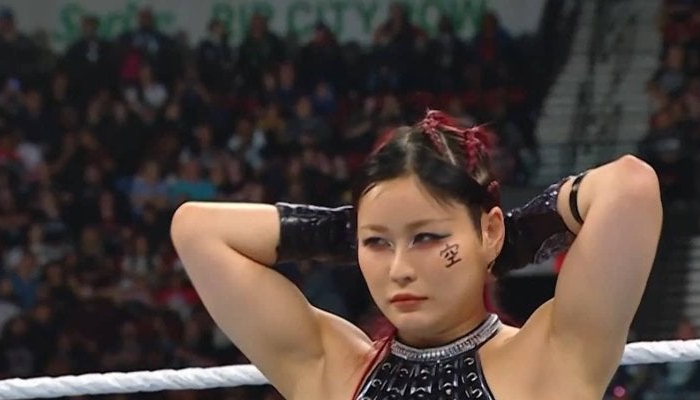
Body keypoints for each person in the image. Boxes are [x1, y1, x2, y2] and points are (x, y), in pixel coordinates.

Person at [170, 110, 663, 399]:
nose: (400, 270)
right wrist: (365, 229)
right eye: (377, 244)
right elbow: (198, 229)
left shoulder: (549, 358)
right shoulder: (329, 367)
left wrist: (500, 244)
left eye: (426, 238)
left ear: (490, 229)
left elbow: (629, 187)